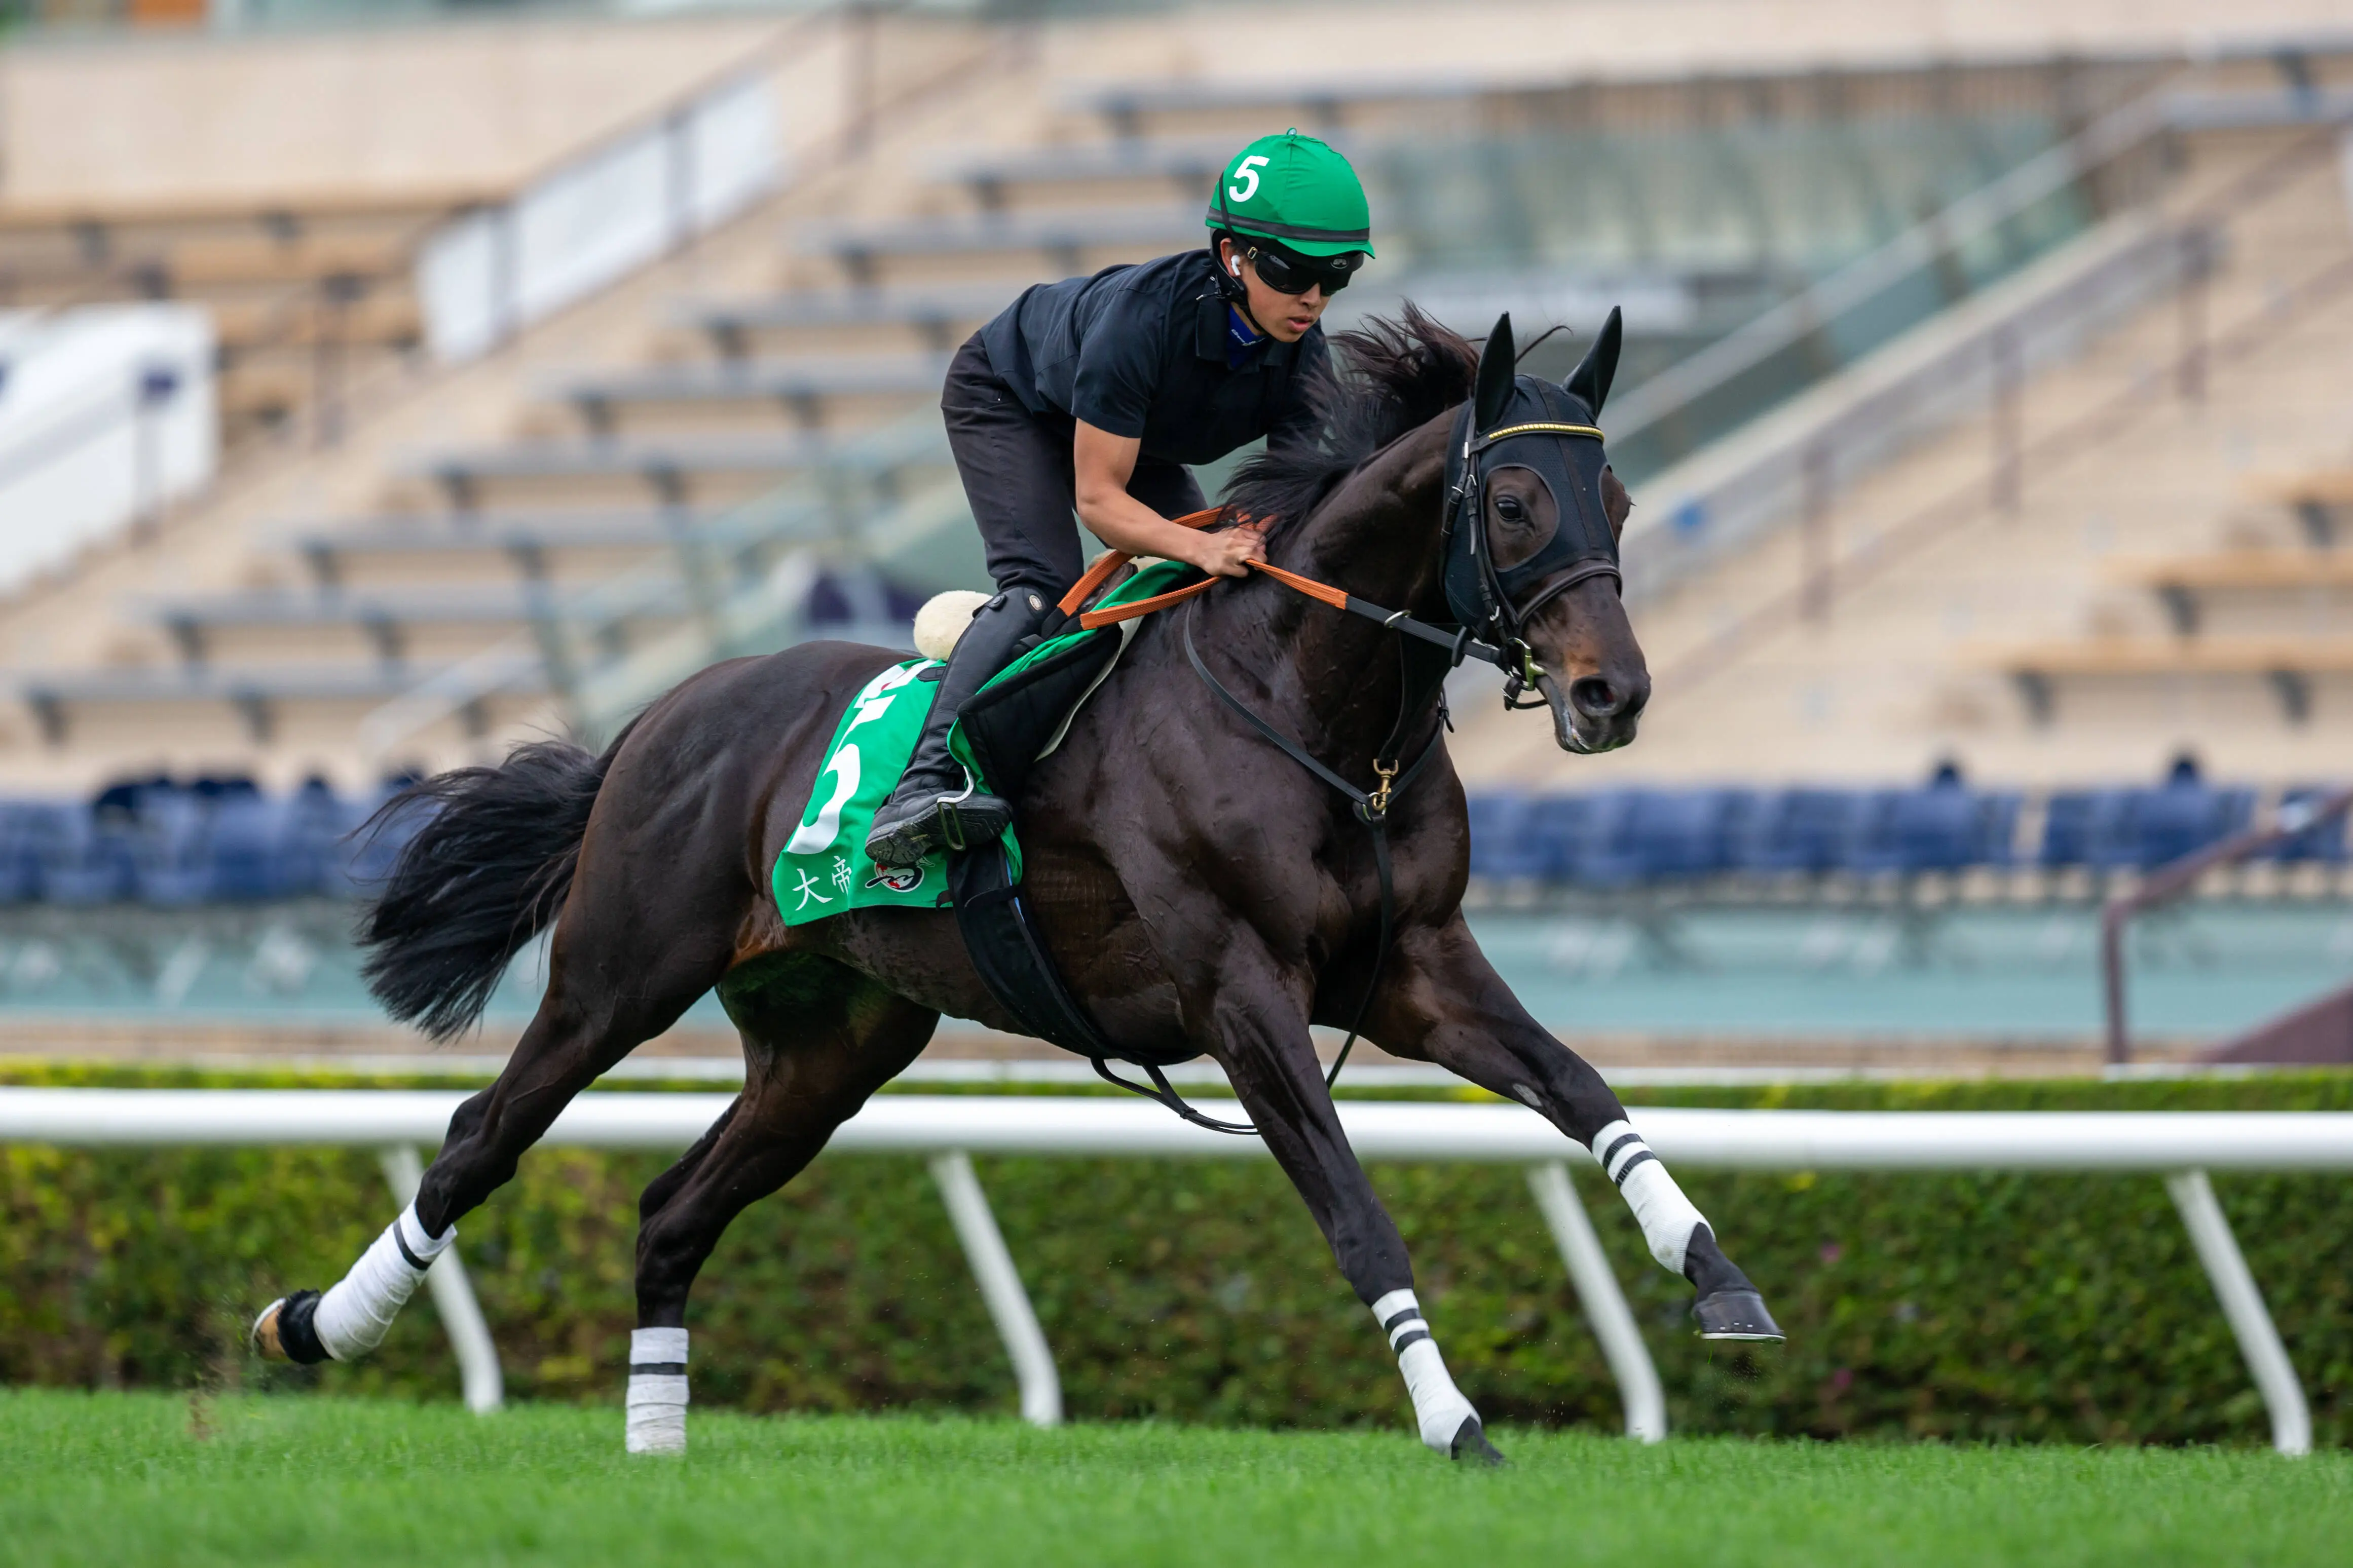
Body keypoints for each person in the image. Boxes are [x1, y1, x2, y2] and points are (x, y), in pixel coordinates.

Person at [863, 130, 1376, 868]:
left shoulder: (1304, 354)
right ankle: (921, 786)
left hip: (1136, 435)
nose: (1313, 297)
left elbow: (1286, 506)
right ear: (1232, 256)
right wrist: (1203, 542)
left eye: (1338, 275)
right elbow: (1101, 503)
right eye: (1292, 271)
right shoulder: (1142, 322)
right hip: (1012, 401)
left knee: (1205, 587)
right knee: (1044, 589)